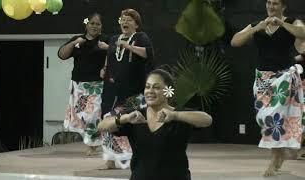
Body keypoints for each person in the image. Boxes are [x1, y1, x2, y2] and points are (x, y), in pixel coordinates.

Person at [231, 0, 305, 177]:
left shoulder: (292, 21)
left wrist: (282, 23)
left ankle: (275, 157)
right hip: (263, 79)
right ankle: (280, 153)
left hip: (284, 77)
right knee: (264, 118)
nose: (271, 7)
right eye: (269, 3)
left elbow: (303, 32)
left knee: (275, 116)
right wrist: (257, 28)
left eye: (276, 4)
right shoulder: (258, 24)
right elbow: (235, 41)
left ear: (283, 6)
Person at [98, 69, 212, 180]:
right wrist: (125, 118)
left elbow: (207, 120)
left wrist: (175, 115)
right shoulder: (135, 116)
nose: (150, 91)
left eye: (156, 87)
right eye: (147, 87)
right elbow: (102, 126)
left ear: (168, 91)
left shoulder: (179, 115)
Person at [100, 8, 154, 169]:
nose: (125, 22)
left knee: (131, 123)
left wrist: (127, 45)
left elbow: (147, 54)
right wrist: (104, 68)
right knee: (108, 119)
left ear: (136, 24)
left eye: (129, 20)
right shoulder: (115, 39)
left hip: (136, 92)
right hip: (114, 90)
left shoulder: (140, 37)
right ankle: (111, 158)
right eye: (123, 19)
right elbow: (110, 56)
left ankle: (136, 157)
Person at [58, 13, 109, 156]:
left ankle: (92, 145)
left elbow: (117, 56)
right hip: (78, 85)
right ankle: (91, 141)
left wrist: (107, 48)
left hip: (96, 85)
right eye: (92, 23)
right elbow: (62, 54)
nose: (94, 26)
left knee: (93, 115)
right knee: (81, 116)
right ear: (86, 24)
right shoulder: (78, 40)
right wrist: (73, 43)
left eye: (98, 24)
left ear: (101, 27)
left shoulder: (105, 40)